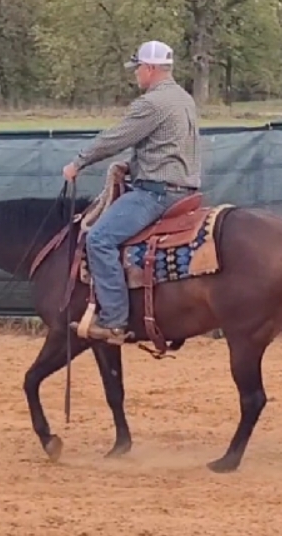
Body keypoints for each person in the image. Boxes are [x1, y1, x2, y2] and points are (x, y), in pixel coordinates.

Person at [62, 40, 202, 345]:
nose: (136, 74)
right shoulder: (183, 99)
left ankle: (114, 320)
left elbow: (116, 137)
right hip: (183, 189)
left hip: (156, 194)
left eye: (138, 67)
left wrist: (79, 162)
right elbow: (167, 147)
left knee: (99, 239)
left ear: (150, 68)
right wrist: (132, 165)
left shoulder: (151, 103)